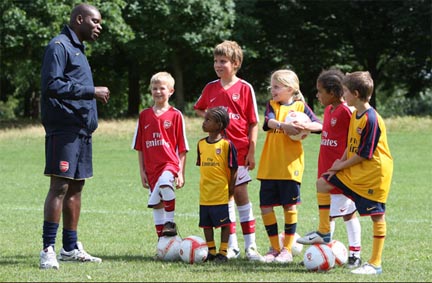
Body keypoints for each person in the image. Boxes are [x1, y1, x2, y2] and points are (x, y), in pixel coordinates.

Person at [297, 71, 393, 275]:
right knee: (322, 183)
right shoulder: (356, 114)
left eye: (346, 91)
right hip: (356, 170)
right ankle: (324, 232)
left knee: (377, 217)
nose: (344, 93)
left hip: (374, 174)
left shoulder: (371, 118)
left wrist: (341, 166)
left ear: (355, 94)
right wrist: (339, 161)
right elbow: (351, 145)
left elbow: (365, 154)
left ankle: (375, 263)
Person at [39, 3, 110, 270]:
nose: (99, 26)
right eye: (95, 21)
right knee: (59, 186)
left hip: (81, 130)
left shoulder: (78, 49)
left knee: (77, 187)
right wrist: (90, 91)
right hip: (64, 129)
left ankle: (70, 247)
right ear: (79, 19)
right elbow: (51, 85)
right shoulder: (59, 46)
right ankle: (48, 249)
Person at [194, 40, 263, 262]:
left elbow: (253, 122)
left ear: (235, 63)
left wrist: (251, 152)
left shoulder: (245, 88)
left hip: (239, 152)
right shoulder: (210, 88)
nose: (218, 65)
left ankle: (251, 246)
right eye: (215, 61)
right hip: (216, 155)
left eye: (222, 61)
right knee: (225, 198)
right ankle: (230, 246)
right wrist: (212, 121)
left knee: (241, 195)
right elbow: (199, 109)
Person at [256, 69, 322, 263]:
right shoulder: (272, 105)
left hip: (290, 166)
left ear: (290, 88)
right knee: (266, 207)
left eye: (276, 86)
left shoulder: (301, 108)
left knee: (289, 206)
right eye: (272, 86)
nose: (272, 90)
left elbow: (319, 126)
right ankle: (274, 248)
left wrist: (305, 127)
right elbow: (268, 122)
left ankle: (286, 250)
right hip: (269, 165)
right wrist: (284, 126)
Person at [132, 72, 188, 244]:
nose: (157, 92)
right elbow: (140, 146)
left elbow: (183, 147)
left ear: (171, 91)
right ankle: (163, 243)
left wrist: (180, 172)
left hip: (170, 164)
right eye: (154, 88)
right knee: (156, 204)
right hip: (151, 167)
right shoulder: (144, 115)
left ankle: (170, 221)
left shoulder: (176, 115)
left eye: (162, 88)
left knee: (165, 184)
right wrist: (142, 171)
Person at [314, 68, 362, 268]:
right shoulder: (328, 110)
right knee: (334, 212)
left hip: (341, 173)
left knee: (337, 214)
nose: (317, 95)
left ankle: (351, 253)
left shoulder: (347, 112)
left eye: (320, 91)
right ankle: (326, 253)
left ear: (333, 93)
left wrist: (344, 166)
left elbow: (357, 139)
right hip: (325, 169)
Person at [197, 106, 238, 263]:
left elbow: (234, 168)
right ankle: (211, 251)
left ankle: (223, 252)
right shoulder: (201, 144)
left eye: (208, 120)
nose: (204, 122)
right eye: (204, 119)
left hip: (221, 192)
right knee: (206, 224)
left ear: (219, 125)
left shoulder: (227, 145)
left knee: (224, 223)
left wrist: (231, 188)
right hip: (205, 193)